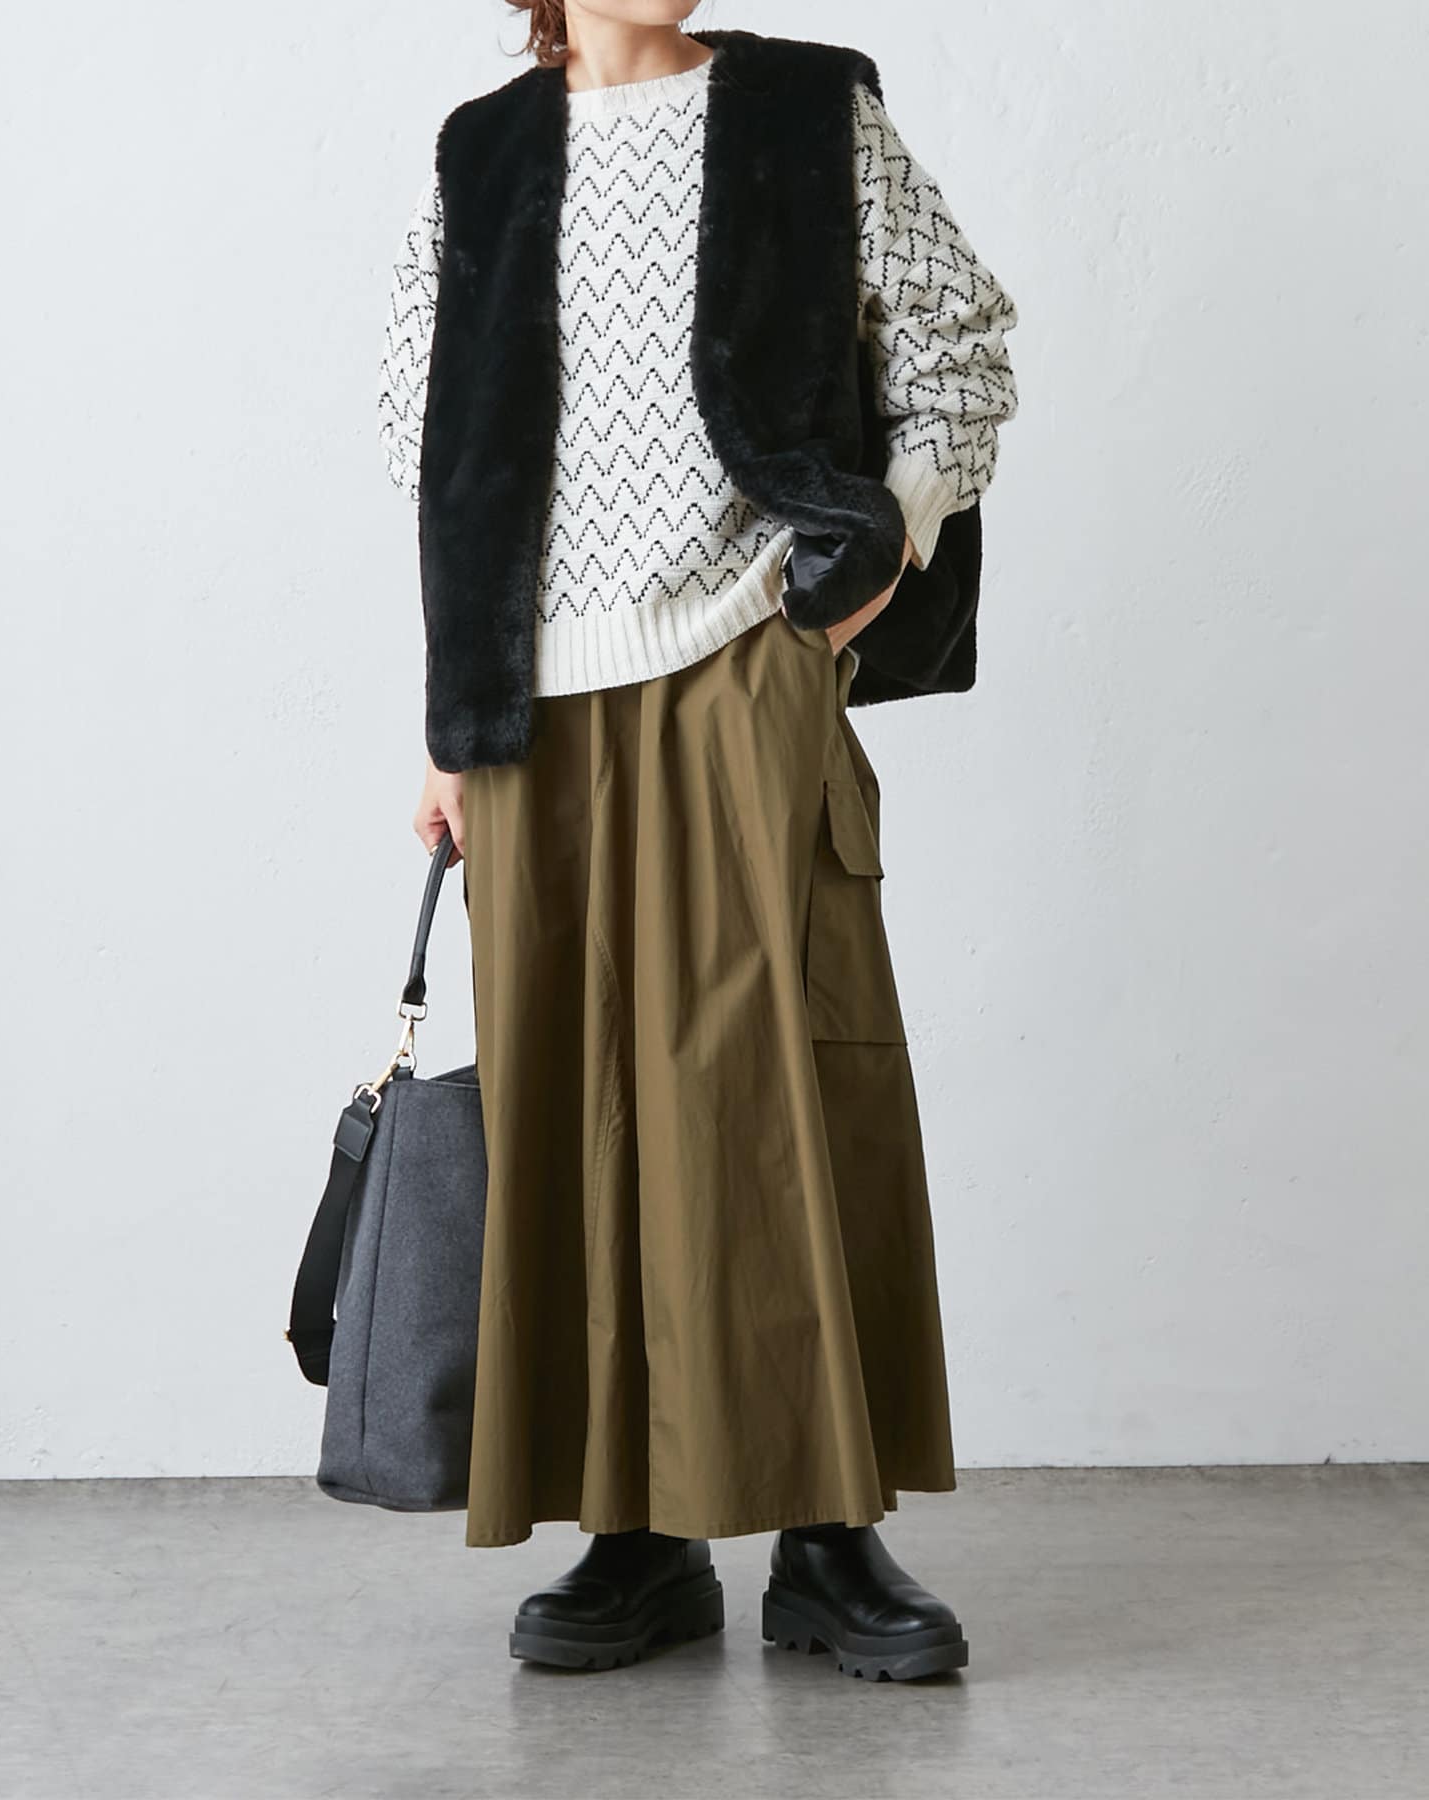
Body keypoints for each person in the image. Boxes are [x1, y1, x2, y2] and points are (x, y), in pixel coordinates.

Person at [378, 0, 1018, 1680]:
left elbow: (960, 346)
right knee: (576, 1104)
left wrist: (872, 553)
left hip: (744, 659)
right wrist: (447, 721)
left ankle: (826, 1536)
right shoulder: (482, 154)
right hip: (531, 707)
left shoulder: (811, 110)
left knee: (781, 1089)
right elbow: (427, 435)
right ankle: (635, 1537)